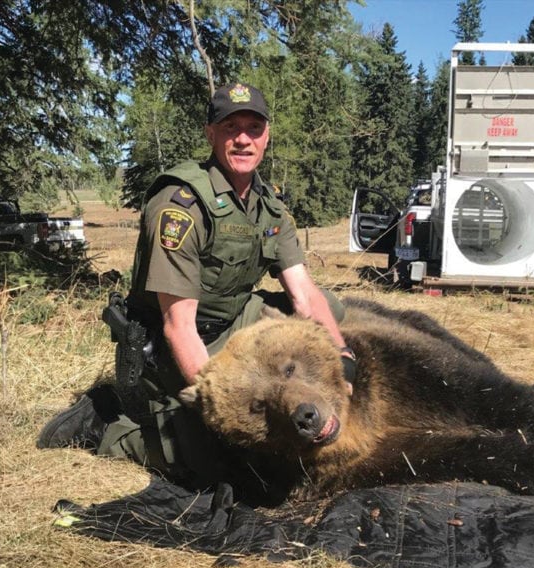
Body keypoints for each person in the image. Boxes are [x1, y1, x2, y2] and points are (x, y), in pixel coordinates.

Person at [37, 83, 356, 483]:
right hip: (178, 339)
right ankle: (104, 423)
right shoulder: (181, 205)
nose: (243, 138)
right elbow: (178, 325)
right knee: (210, 456)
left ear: (267, 136)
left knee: (330, 310)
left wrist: (342, 360)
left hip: (235, 320)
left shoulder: (268, 205)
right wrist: (221, 406)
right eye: (230, 127)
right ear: (211, 134)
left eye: (254, 128)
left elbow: (305, 293)